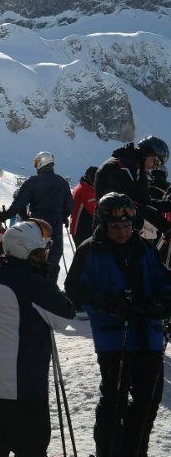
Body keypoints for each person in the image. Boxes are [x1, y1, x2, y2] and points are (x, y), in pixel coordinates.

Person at [64, 193, 171, 456]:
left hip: (150, 334)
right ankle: (109, 451)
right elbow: (74, 291)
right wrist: (105, 303)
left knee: (148, 401)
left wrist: (165, 300)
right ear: (103, 223)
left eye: (126, 225)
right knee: (114, 401)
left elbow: (162, 279)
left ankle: (135, 450)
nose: (122, 232)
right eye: (115, 226)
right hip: (115, 338)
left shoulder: (144, 247)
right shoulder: (90, 250)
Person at [0, 220, 75, 456]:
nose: (45, 256)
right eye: (40, 252)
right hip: (20, 382)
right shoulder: (31, 282)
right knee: (31, 446)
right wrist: (47, 280)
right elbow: (64, 315)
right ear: (26, 253)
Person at [0, 152, 73, 283]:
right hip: (55, 224)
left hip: (37, 223)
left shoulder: (33, 181)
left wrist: (5, 215)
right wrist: (62, 217)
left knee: (34, 254)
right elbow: (69, 206)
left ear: (41, 162)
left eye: (36, 164)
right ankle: (50, 288)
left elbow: (19, 203)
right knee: (54, 256)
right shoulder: (62, 183)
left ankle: (33, 286)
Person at [95, 136, 171, 238]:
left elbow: (144, 201)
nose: (155, 167)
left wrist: (168, 205)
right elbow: (137, 203)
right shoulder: (122, 166)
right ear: (147, 152)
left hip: (120, 231)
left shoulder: (135, 167)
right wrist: (166, 227)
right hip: (111, 234)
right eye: (156, 162)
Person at [70, 166, 98, 247]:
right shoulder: (88, 191)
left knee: (81, 255)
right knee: (86, 256)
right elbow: (95, 213)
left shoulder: (79, 186)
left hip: (76, 228)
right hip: (83, 231)